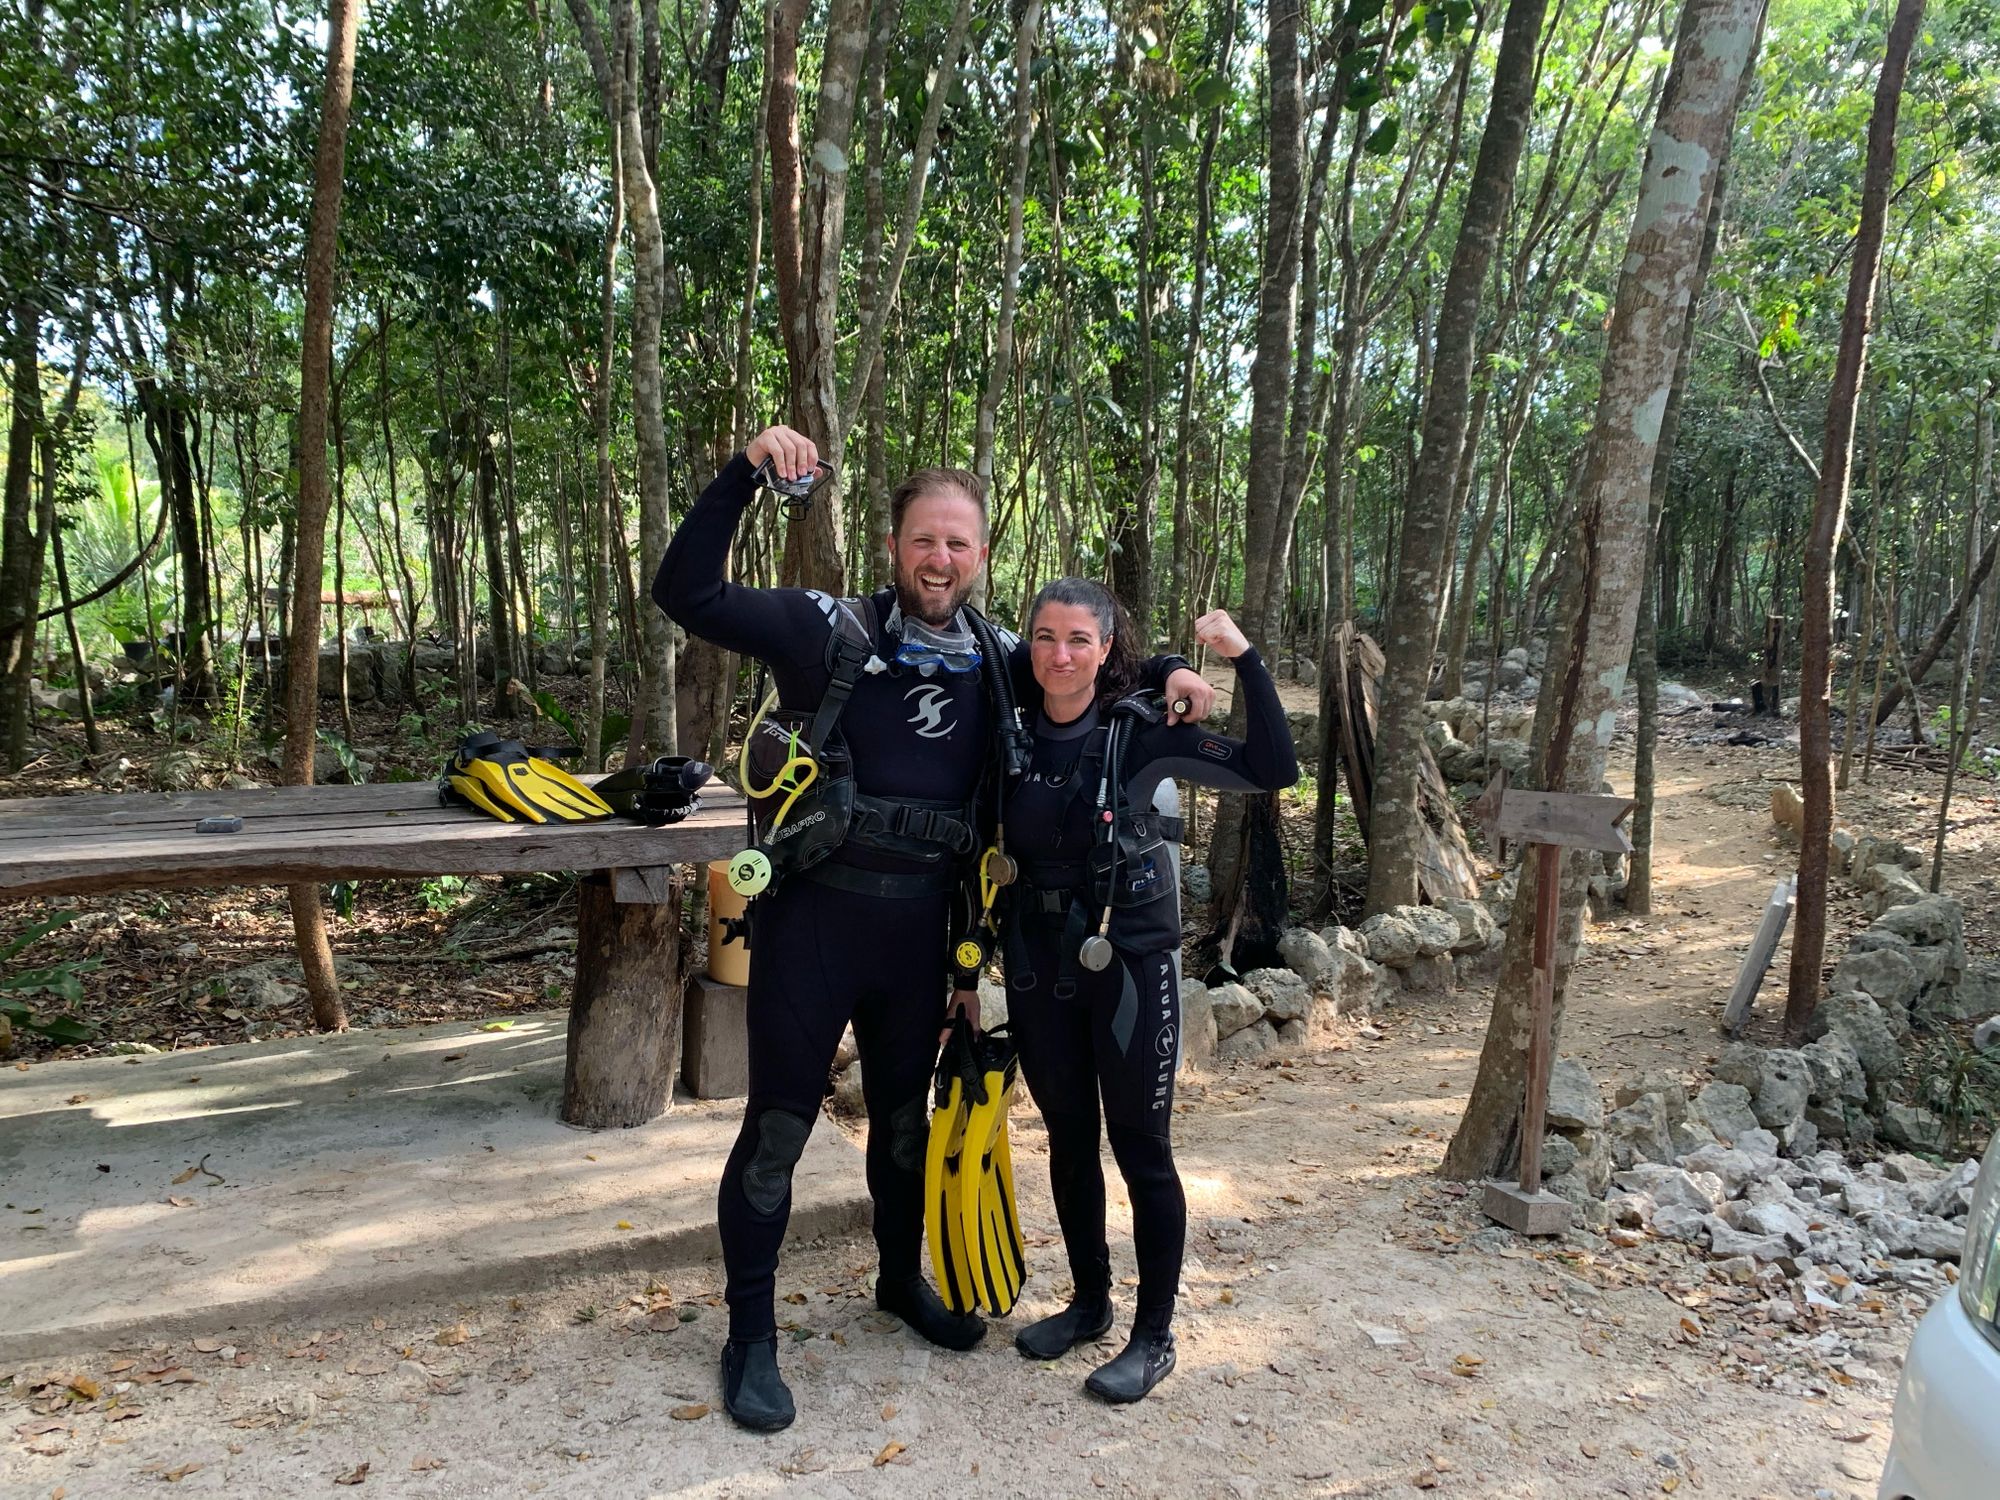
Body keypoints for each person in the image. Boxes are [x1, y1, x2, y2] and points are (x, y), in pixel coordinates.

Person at [652, 425, 1214, 1432]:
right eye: (923, 540)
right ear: (893, 546)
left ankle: (898, 1281)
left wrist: (1174, 664)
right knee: (777, 1131)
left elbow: (1098, 668)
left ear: (981, 554)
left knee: (904, 1126)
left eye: (958, 543)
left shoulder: (1002, 658)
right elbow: (685, 591)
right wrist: (743, 475)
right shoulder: (826, 631)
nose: (939, 559)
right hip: (812, 926)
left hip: (918, 943)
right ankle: (752, 1338)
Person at [999, 578, 1297, 1403]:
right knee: (1067, 1140)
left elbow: (1272, 767)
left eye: (1080, 641)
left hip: (1128, 966)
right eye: (1046, 638)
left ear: (1105, 650)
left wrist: (1240, 659)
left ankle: (1153, 1336)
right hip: (1038, 967)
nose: (1061, 655)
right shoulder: (1009, 728)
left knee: (1141, 1149)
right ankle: (1089, 1303)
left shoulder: (1138, 737)